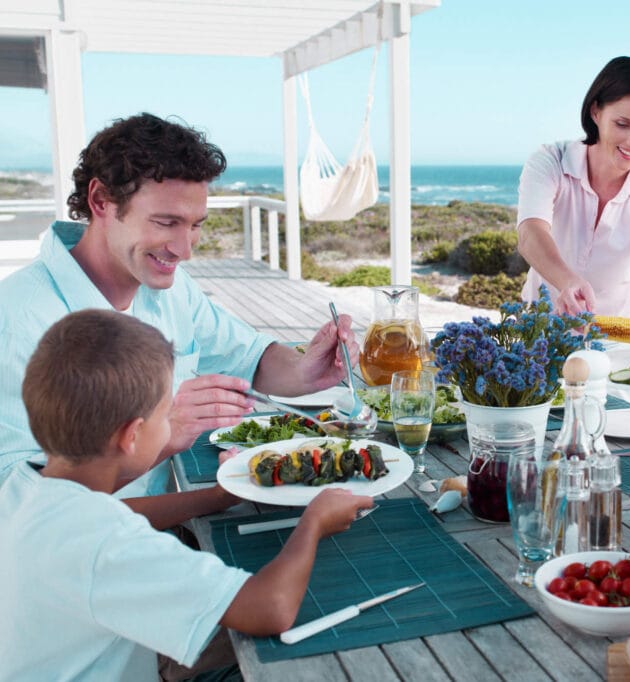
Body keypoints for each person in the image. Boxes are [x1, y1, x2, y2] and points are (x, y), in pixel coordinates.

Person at [0, 310, 374, 680]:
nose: (172, 424)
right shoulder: (108, 544)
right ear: (131, 435)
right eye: (167, 415)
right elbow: (271, 607)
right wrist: (313, 523)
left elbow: (116, 513)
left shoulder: (24, 485)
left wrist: (215, 497)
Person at [0, 112, 359, 498]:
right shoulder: (17, 321)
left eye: (196, 225)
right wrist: (163, 437)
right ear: (101, 200)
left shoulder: (168, 287)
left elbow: (249, 358)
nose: (184, 250)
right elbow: (16, 503)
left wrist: (306, 371)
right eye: (166, 222)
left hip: (160, 529)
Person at [516, 56, 630, 333]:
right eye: (623, 124)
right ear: (596, 112)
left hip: (619, 337)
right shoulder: (550, 161)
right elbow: (530, 234)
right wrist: (566, 281)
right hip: (541, 328)